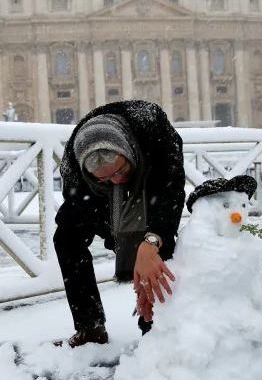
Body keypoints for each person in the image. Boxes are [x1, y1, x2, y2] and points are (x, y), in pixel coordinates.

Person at [53, 100, 185, 347]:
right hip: (99, 194)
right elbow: (80, 207)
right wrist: (123, 246)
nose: (116, 180)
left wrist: (150, 242)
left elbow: (170, 193)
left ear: (126, 153)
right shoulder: (75, 168)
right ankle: (90, 327)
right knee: (66, 237)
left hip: (150, 171)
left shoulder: (153, 128)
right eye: (106, 178)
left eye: (119, 171)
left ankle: (156, 328)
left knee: (156, 247)